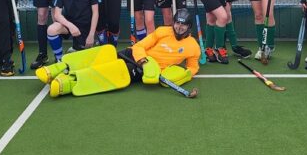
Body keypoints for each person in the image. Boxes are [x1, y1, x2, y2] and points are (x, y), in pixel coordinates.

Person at [37, 8, 200, 98]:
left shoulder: (193, 46)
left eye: (183, 25)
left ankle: (69, 82)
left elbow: (192, 67)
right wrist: (143, 60)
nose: (179, 27)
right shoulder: (162, 31)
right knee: (106, 54)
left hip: (148, 70)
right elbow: (140, 45)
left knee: (115, 70)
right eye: (177, 23)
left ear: (189, 27)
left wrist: (183, 75)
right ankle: (61, 67)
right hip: (138, 57)